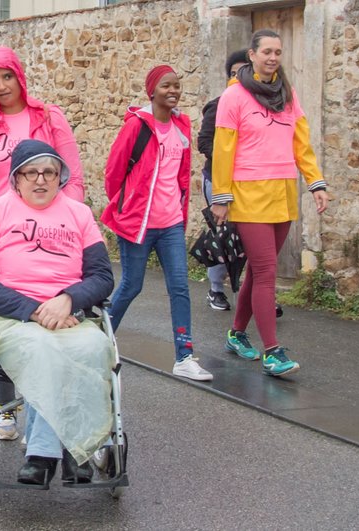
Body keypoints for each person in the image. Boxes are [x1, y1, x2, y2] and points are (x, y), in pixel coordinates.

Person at [0, 139, 115, 486]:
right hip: (13, 317)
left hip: (69, 314)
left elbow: (103, 276)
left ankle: (71, 451)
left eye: (49, 171)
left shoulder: (79, 214)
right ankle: (51, 452)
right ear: (16, 178)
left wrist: (68, 299)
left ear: (61, 176)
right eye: (31, 172)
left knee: (94, 348)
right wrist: (32, 311)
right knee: (44, 350)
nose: (41, 180)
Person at [0, 46, 86, 440]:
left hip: (50, 236)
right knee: (1, 319)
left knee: (57, 315)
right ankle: (6, 406)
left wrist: (64, 220)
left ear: (20, 77)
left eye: (7, 77)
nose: (1, 86)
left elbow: (72, 178)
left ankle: (57, 404)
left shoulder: (49, 118)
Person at [211, 30, 331, 377]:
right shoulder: (233, 97)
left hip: (282, 193)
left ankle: (236, 333)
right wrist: (221, 197)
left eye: (278, 51)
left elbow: (301, 144)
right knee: (266, 272)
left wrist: (315, 183)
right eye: (266, 51)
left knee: (258, 271)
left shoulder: (288, 94)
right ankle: (273, 352)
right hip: (248, 194)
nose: (273, 57)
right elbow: (223, 150)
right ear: (252, 55)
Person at [101, 65, 211, 382]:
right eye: (166, 85)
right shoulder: (137, 127)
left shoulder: (181, 126)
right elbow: (113, 172)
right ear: (152, 91)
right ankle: (99, 342)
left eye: (176, 85)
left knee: (179, 287)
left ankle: (184, 356)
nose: (173, 90)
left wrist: (177, 206)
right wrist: (127, 205)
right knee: (131, 285)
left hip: (171, 224)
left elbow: (180, 174)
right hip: (138, 223)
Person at [197, 49, 249, 312]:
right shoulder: (218, 105)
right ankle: (216, 290)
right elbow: (204, 142)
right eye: (233, 73)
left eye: (244, 72)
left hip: (250, 183)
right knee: (223, 235)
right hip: (218, 180)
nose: (238, 78)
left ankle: (258, 295)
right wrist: (228, 159)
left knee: (253, 238)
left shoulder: (259, 107)